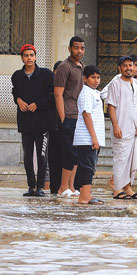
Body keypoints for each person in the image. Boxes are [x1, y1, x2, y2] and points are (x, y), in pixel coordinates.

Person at [11, 44, 54, 197]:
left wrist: (38, 104)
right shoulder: (17, 75)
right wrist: (18, 100)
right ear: (22, 58)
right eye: (26, 55)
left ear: (35, 56)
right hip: (25, 121)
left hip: (42, 122)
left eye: (31, 55)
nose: (29, 58)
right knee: (27, 156)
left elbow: (52, 95)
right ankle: (31, 186)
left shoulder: (46, 74)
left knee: (42, 155)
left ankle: (41, 187)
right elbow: (15, 91)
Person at [106, 56, 137, 200]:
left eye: (131, 65)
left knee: (132, 161)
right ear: (120, 68)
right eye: (125, 66)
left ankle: (128, 187)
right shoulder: (115, 84)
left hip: (134, 129)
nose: (129, 68)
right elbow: (111, 106)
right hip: (121, 128)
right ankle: (117, 189)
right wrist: (115, 125)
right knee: (121, 159)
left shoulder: (136, 83)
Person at [54, 36, 85, 197]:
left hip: (79, 116)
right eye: (76, 48)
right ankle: (62, 187)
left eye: (81, 48)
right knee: (68, 153)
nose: (79, 51)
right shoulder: (64, 67)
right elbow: (58, 94)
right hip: (68, 116)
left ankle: (71, 187)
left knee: (76, 153)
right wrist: (63, 118)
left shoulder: (81, 66)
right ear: (69, 49)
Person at [74, 65, 105, 205]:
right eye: (93, 77)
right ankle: (85, 196)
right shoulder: (86, 92)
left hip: (91, 137)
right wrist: (93, 137)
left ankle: (85, 195)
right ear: (85, 78)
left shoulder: (94, 92)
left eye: (98, 77)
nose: (96, 80)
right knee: (88, 167)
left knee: (87, 167)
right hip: (87, 137)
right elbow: (86, 114)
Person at [47, 60, 64, 195]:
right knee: (53, 159)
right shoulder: (49, 89)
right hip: (53, 127)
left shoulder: (69, 89)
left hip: (67, 127)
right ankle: (54, 187)